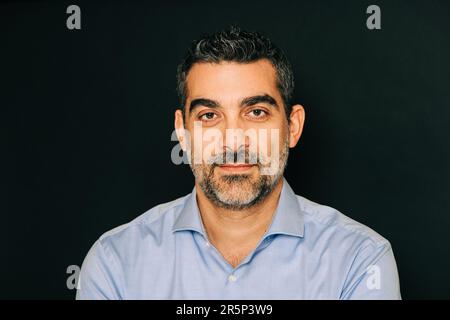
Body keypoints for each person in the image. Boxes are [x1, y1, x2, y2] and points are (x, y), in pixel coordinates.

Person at [76, 26, 401, 299]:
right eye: (209, 115)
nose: (233, 140)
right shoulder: (114, 263)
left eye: (256, 112)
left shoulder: (360, 261)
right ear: (183, 133)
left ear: (293, 126)